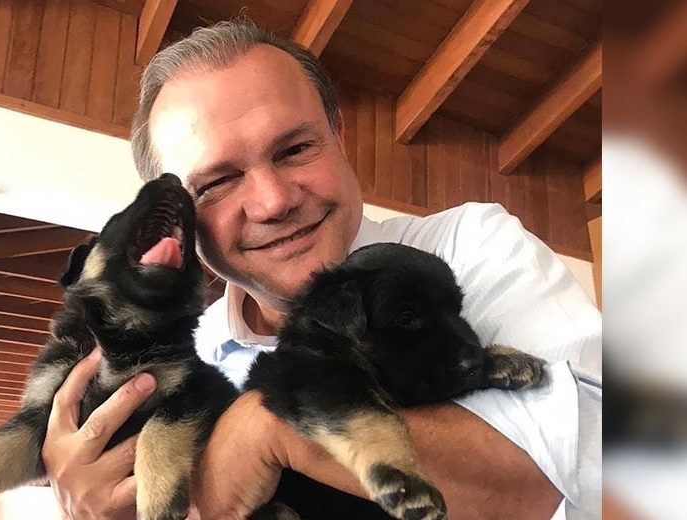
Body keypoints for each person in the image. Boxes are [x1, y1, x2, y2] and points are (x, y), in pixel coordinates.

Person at [41, 19, 602, 520]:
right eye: (217, 182)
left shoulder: (469, 245)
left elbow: (606, 462)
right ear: (178, 219)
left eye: (294, 149)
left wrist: (270, 425)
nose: (273, 201)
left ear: (338, 136)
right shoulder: (182, 353)